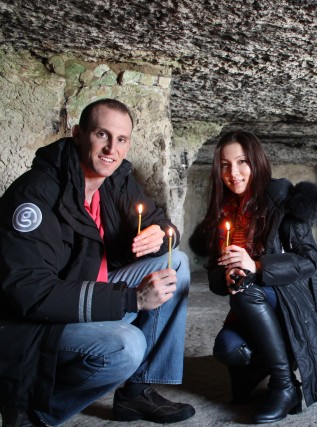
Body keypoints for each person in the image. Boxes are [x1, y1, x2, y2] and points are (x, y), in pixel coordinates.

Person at [0, 99, 195, 426]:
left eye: (121, 139)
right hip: (37, 323)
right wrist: (131, 299)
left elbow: (164, 221)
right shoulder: (36, 194)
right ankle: (38, 412)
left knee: (177, 263)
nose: (111, 149)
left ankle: (137, 393)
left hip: (93, 288)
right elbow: (30, 293)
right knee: (126, 346)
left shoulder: (117, 180)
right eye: (102, 135)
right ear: (78, 134)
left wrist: (161, 234)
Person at [190, 130, 317, 424]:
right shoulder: (223, 210)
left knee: (247, 291)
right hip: (251, 304)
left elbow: (309, 259)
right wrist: (225, 278)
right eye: (225, 165)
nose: (234, 173)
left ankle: (285, 385)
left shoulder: (282, 199)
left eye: (242, 162)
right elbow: (216, 276)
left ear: (257, 162)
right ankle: (274, 356)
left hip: (293, 301)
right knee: (229, 349)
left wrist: (256, 265)